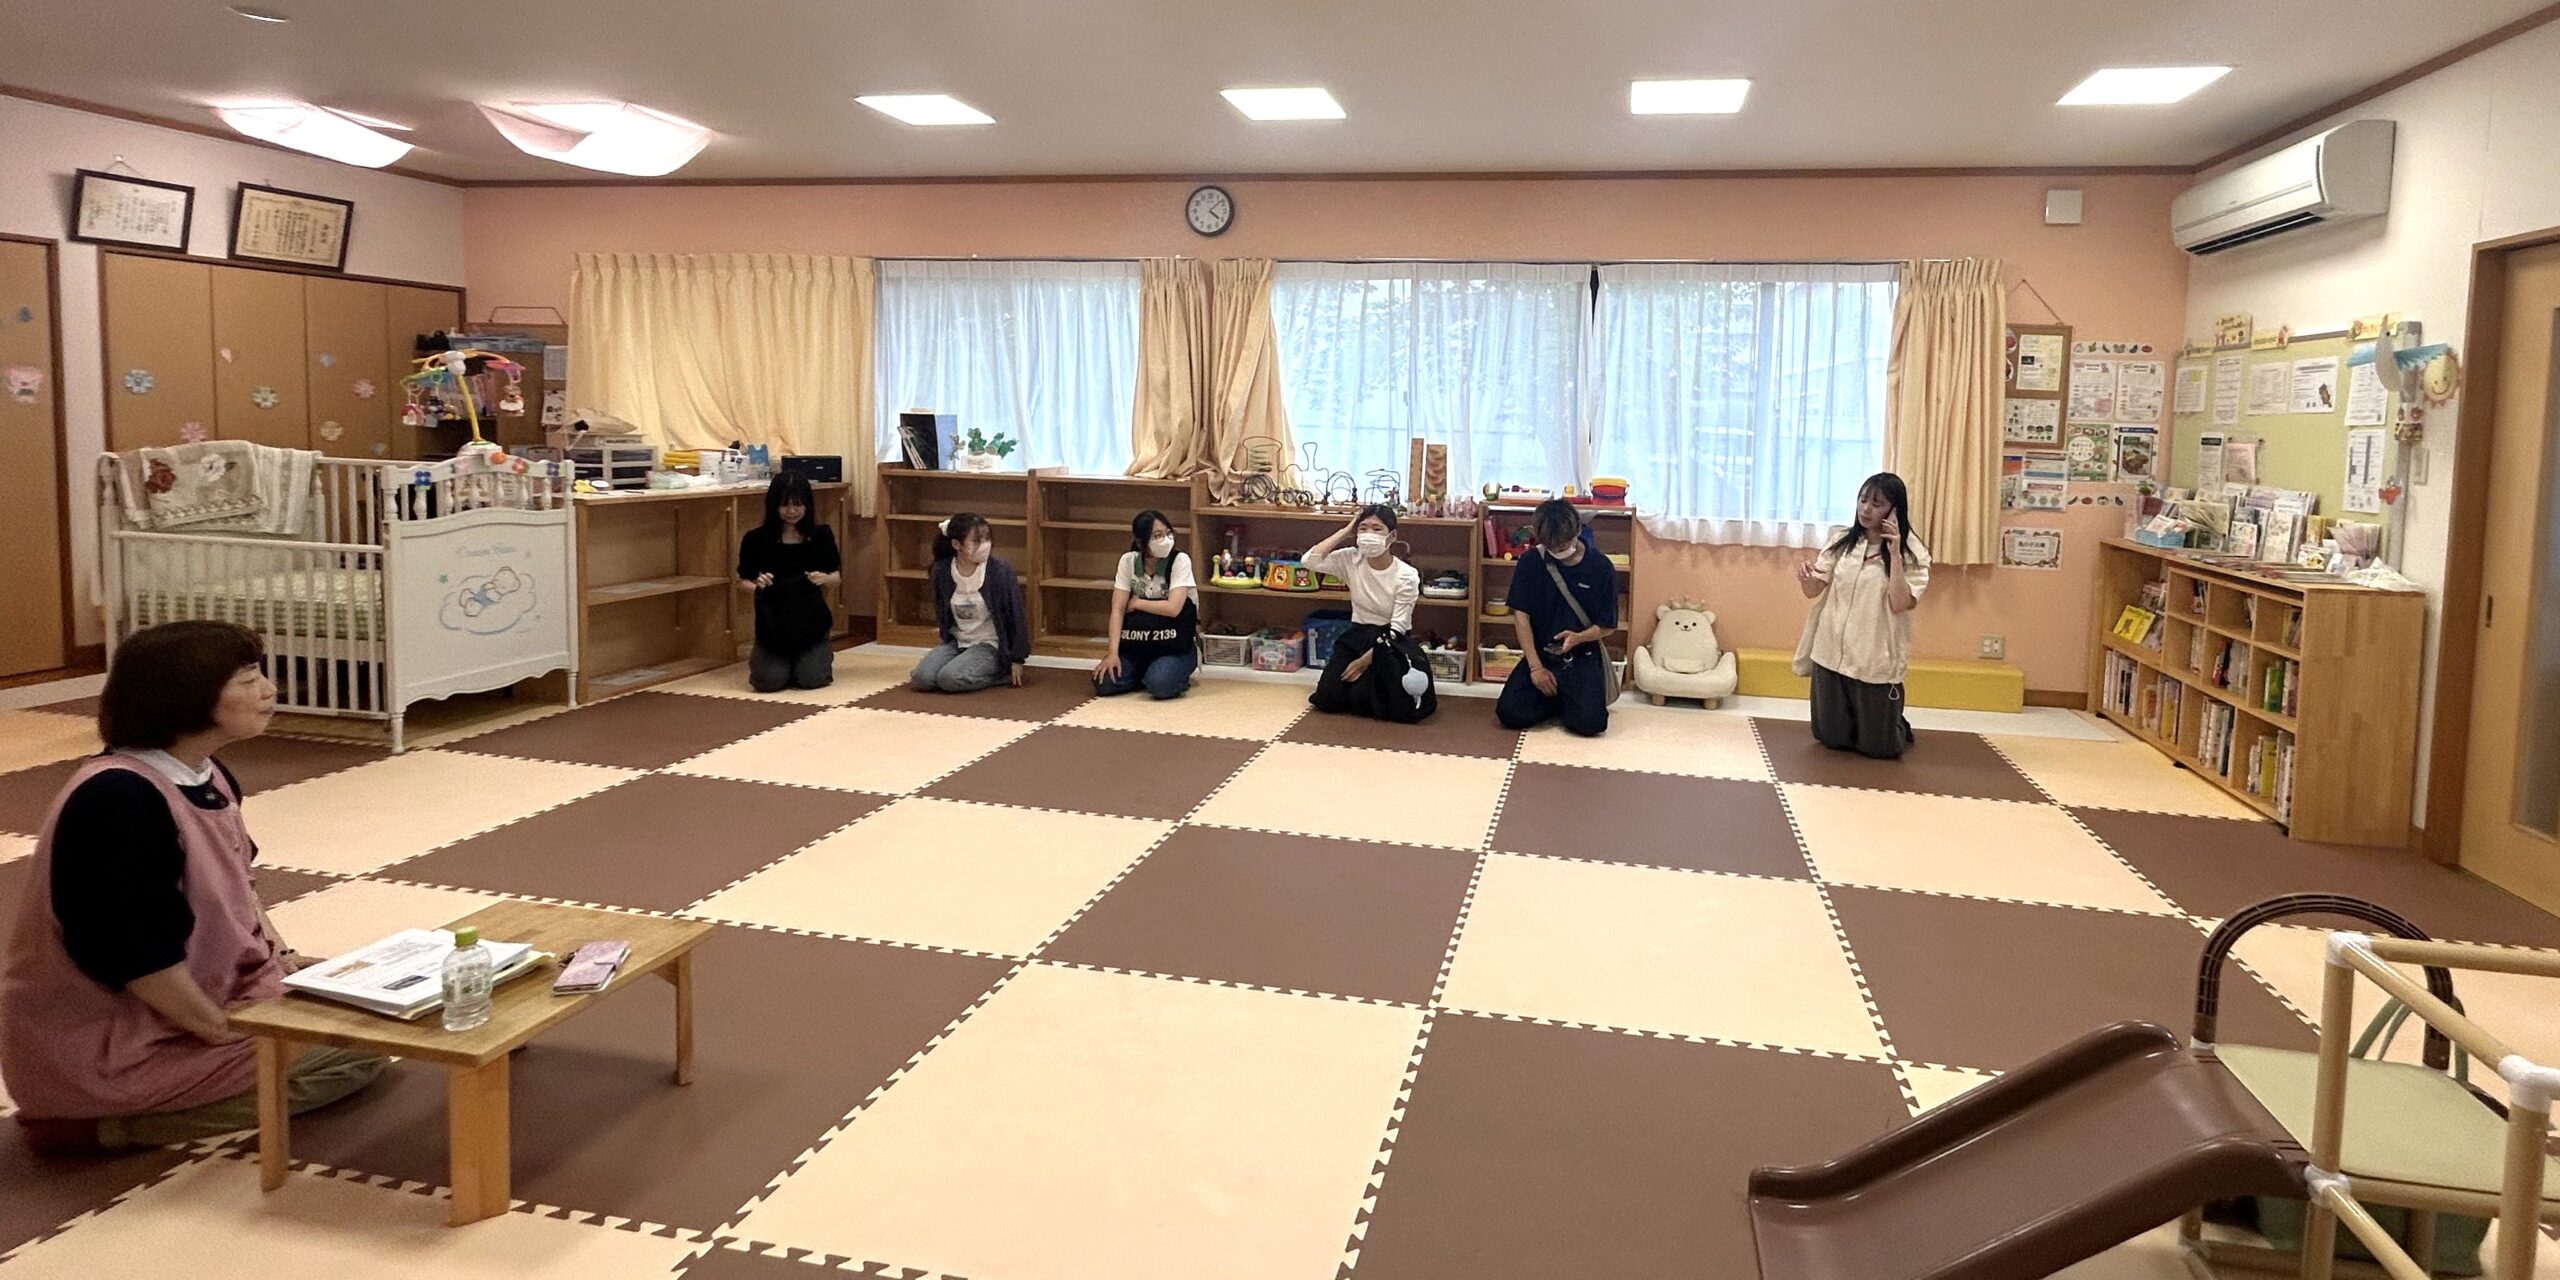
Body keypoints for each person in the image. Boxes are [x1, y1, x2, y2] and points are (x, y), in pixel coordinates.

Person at [1, 621, 386, 1155]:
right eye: (247, 680)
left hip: (201, 995)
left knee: (369, 1003)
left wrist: (283, 960)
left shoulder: (206, 773)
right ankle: (104, 1127)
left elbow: (240, 883)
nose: (269, 690)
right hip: (117, 1042)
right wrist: (219, 1029)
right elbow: (130, 953)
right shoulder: (117, 799)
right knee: (354, 1054)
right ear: (185, 696)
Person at [1791, 472, 1931, 758]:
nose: (1866, 509)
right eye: (1863, 500)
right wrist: (1806, 578)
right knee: (1829, 738)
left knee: (1880, 748)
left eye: (1877, 504)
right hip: (1831, 652)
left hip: (1874, 656)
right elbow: (1812, 591)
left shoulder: (1912, 552)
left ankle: (1895, 723)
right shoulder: (1842, 541)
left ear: (1894, 510)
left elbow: (1901, 603)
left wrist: (1894, 553)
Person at [1496, 499, 1618, 737]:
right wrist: (1535, 668)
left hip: (1582, 655)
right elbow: (1521, 617)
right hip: (1542, 654)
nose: (1559, 550)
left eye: (1563, 544)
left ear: (1578, 531)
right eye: (1552, 546)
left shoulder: (1600, 567)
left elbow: (1607, 626)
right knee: (1509, 713)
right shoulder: (1531, 562)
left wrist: (1579, 637)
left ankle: (1564, 700)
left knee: (1590, 724)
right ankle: (1558, 699)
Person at [1303, 504, 1435, 722]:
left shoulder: (1406, 575)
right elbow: (1309, 561)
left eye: (1377, 528)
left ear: (1392, 536)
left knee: (1362, 701)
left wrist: (1363, 662)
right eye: (1363, 528)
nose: (1368, 534)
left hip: (1391, 641)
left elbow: (1398, 627)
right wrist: (1346, 530)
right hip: (1357, 635)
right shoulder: (1351, 559)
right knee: (1327, 698)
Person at [736, 471, 841, 693]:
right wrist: (758, 586)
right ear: (773, 506)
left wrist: (824, 578)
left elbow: (836, 578)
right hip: (772, 625)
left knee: (811, 679)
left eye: (798, 504)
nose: (792, 511)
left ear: (808, 505)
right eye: (785, 505)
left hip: (810, 624)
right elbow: (742, 582)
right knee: (768, 682)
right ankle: (781, 663)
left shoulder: (821, 535)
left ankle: (810, 658)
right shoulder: (755, 539)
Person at [912, 512, 1029, 693]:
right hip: (957, 641)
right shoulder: (942, 570)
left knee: (949, 679)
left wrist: (1017, 658)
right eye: (976, 541)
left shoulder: (999, 570)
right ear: (956, 545)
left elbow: (1015, 614)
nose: (985, 545)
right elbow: (942, 610)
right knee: (922, 678)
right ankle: (963, 665)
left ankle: (1000, 674)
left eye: (987, 539)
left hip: (989, 644)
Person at [1093, 509, 1198, 700]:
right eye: (1157, 536)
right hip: (1137, 645)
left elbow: (1173, 608)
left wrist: (1137, 603)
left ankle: (1165, 676)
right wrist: (1112, 653)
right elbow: (1117, 609)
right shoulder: (1128, 561)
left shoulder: (1179, 560)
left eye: (1168, 533)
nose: (1166, 540)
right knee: (1104, 682)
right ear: (1141, 542)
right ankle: (1144, 675)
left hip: (1173, 646)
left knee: (1161, 685)